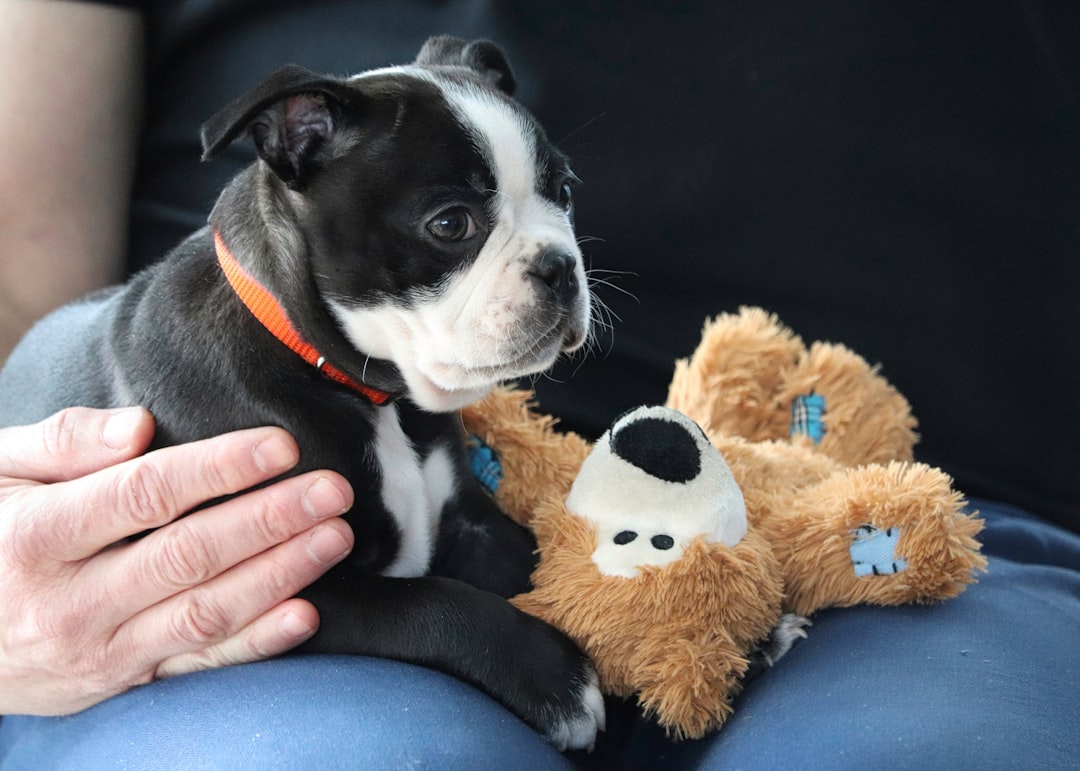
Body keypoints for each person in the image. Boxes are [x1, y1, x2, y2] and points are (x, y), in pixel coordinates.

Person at [1, 0, 1077, 768]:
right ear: (293, 145)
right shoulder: (209, 361)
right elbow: (14, 286)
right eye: (457, 226)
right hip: (203, 618)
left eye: (551, 199)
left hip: (886, 522)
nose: (553, 260)